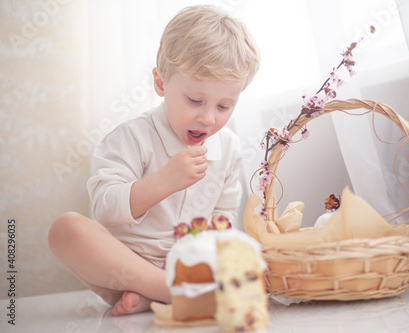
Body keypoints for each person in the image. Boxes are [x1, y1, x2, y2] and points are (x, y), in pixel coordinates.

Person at [48, 5, 260, 316]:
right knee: (65, 229)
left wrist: (205, 251)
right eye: (195, 100)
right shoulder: (131, 138)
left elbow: (224, 218)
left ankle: (158, 294)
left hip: (190, 266)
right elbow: (104, 208)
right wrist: (163, 181)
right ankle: (167, 290)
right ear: (161, 84)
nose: (208, 117)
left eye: (225, 106)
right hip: (125, 264)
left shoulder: (228, 148)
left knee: (246, 252)